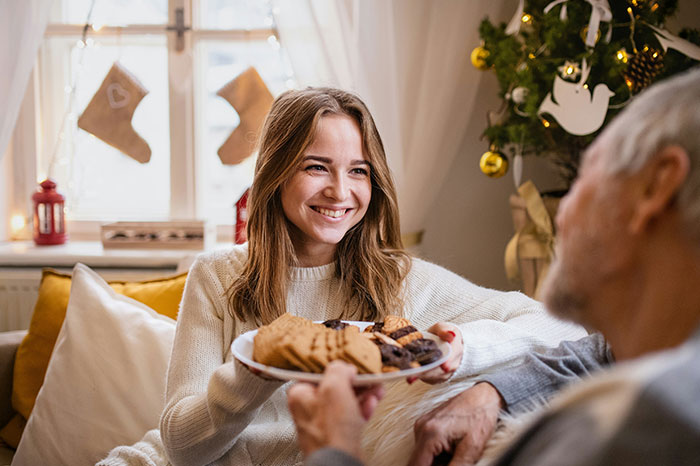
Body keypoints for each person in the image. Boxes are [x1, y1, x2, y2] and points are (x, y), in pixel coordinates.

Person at [99, 87, 583, 466]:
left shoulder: (400, 280)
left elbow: (560, 323)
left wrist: (462, 347)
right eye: (316, 167)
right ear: (277, 173)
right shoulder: (218, 277)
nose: (340, 191)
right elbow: (181, 448)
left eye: (358, 171)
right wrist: (256, 370)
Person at [288, 69, 700, 466]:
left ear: (657, 187)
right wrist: (493, 392)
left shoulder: (658, 428)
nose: (557, 215)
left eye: (588, 173)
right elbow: (594, 352)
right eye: (316, 166)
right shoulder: (646, 358)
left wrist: (335, 451)